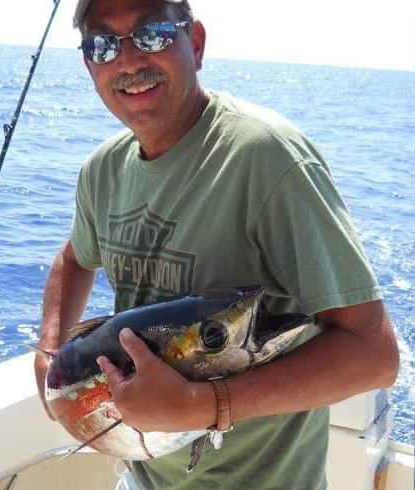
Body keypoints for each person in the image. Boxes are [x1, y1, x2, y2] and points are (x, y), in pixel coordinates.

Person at [34, 0, 400, 488]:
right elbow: (75, 257)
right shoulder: (103, 170)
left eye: (152, 34)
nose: (129, 60)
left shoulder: (267, 157)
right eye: (103, 45)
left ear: (197, 43)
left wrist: (208, 405)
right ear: (88, 64)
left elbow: (374, 356)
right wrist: (49, 350)